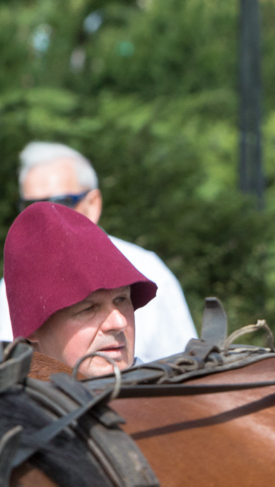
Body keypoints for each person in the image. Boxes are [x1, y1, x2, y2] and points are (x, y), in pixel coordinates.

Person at [0, 142, 195, 359]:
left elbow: (183, 369)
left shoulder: (147, 268)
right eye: (32, 207)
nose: (49, 216)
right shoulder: (10, 288)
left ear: (93, 204)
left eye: (61, 202)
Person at [3, 202, 157, 378]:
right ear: (33, 329)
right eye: (88, 308)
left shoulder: (169, 392)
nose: (119, 322)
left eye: (121, 299)